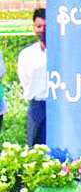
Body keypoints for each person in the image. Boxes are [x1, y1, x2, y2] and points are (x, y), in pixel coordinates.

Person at [18, 9, 47, 147]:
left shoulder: (63, 53)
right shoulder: (27, 54)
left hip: (59, 106)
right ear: (34, 27)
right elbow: (25, 80)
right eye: (39, 26)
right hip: (37, 107)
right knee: (36, 148)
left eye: (46, 26)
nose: (43, 30)